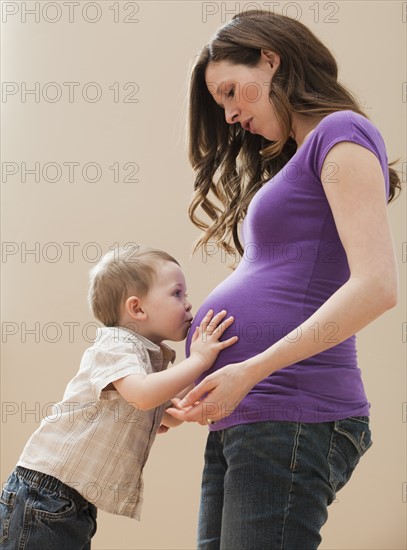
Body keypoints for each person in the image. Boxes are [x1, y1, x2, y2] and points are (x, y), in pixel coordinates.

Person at [166, 10, 401, 550]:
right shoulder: (297, 160)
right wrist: (197, 387)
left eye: (231, 90)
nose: (228, 113)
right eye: (220, 103)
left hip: (292, 410)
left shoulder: (340, 132)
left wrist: (248, 371)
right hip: (252, 415)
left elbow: (377, 287)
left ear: (270, 58)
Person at [0, 246, 237, 549]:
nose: (189, 304)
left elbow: (165, 412)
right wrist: (200, 361)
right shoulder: (115, 344)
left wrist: (206, 379)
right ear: (137, 309)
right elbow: (143, 395)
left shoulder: (145, 362)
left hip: (69, 502)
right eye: (177, 293)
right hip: (44, 494)